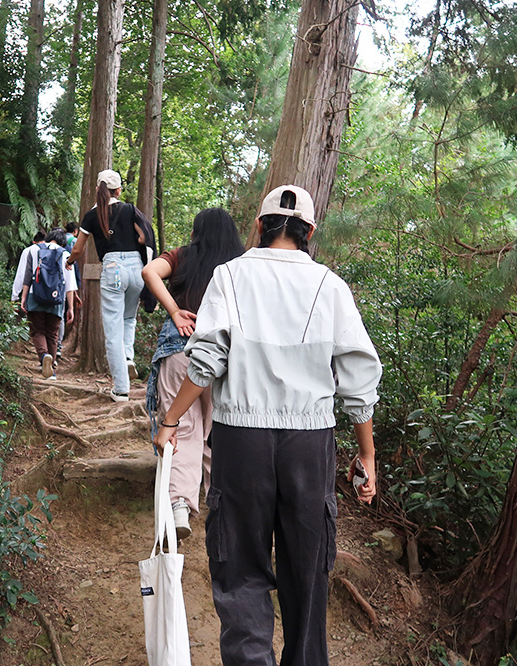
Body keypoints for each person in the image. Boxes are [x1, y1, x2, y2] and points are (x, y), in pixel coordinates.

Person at [153, 185, 382, 666]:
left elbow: (207, 360)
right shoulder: (330, 286)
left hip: (241, 442)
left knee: (240, 569)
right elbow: (358, 380)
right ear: (310, 233)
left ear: (258, 226)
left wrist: (171, 420)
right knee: (307, 571)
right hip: (310, 444)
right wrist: (367, 456)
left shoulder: (230, 277)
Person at [142, 208, 244, 541]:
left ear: (196, 232)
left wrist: (175, 311)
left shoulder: (184, 256)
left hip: (181, 351)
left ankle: (180, 505)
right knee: (219, 434)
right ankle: (224, 507)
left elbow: (149, 272)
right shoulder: (241, 265)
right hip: (224, 360)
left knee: (181, 428)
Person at [67, 169, 155, 402]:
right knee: (129, 319)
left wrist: (69, 262)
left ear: (99, 189)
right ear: (118, 190)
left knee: (113, 330)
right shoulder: (129, 209)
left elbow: (78, 249)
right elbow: (145, 238)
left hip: (114, 270)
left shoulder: (91, 216)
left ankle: (121, 389)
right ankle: (128, 358)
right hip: (137, 271)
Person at [20, 228, 78, 380]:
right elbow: (70, 285)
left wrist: (23, 297)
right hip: (56, 299)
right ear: (63, 242)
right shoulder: (66, 254)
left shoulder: (34, 250)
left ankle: (44, 355)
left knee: (37, 330)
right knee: (53, 334)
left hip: (35, 295)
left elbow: (27, 276)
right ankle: (51, 370)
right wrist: (70, 308)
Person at [12, 231, 46, 305]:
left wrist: (15, 296)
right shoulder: (53, 249)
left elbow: (21, 273)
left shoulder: (28, 251)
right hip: (51, 292)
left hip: (33, 292)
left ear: (34, 242)